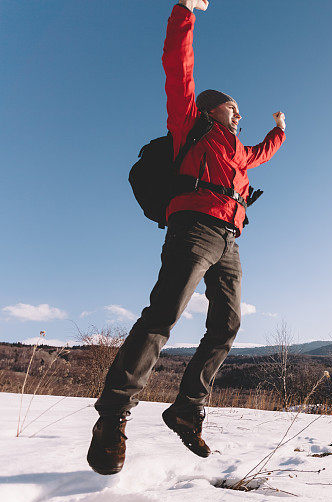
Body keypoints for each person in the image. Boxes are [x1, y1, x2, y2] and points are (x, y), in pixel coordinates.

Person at [87, 0, 286, 475]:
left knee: (228, 325)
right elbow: (178, 67)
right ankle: (112, 418)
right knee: (164, 316)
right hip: (194, 229)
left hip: (229, 240)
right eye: (233, 108)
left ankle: (186, 408)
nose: (239, 114)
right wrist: (184, 12)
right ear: (213, 107)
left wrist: (279, 133)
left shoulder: (237, 151)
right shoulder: (191, 125)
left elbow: (259, 153)